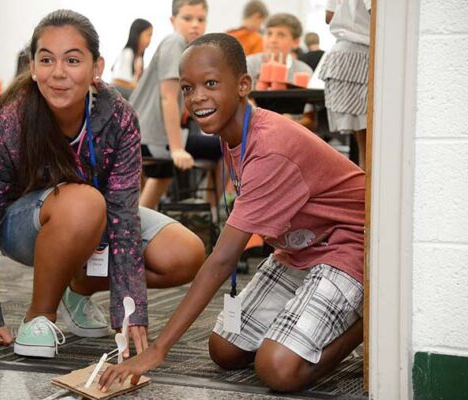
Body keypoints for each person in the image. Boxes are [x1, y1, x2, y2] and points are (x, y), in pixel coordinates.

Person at [99, 33, 365, 393]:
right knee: (225, 349)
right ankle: (304, 324)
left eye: (211, 84)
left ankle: (365, 322)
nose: (197, 98)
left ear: (243, 85)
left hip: (350, 247)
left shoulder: (270, 147)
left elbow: (222, 260)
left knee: (277, 369)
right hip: (301, 250)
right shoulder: (231, 131)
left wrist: (158, 350)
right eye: (189, 88)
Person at [0, 9, 205, 359]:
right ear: (33, 67)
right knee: (85, 202)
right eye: (46, 60)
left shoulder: (118, 115)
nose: (58, 73)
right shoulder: (11, 123)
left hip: (96, 217)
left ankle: (78, 286)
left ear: (97, 69)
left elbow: (122, 213)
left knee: (185, 253)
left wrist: (128, 309)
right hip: (22, 226)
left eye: (73, 60)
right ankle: (40, 316)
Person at [130, 0, 223, 210]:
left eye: (200, 19)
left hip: (146, 133)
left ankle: (138, 224)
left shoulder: (188, 50)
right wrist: (177, 149)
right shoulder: (175, 42)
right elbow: (168, 98)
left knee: (162, 177)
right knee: (228, 146)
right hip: (152, 135)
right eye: (187, 18)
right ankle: (212, 212)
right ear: (173, 20)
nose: (195, 25)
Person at [319, 0, 371, 169]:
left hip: (341, 56)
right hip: (361, 54)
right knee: (372, 144)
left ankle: (364, 192)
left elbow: (329, 15)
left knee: (364, 144)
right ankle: (368, 193)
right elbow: (377, 13)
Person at [246, 13, 316, 131]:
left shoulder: (304, 72)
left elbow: (311, 120)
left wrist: (290, 123)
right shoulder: (248, 65)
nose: (273, 40)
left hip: (291, 134)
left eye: (281, 35)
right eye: (269, 33)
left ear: (296, 42)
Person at [111, 18, 153, 99]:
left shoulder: (140, 59)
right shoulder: (127, 53)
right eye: (148, 35)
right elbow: (117, 81)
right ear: (138, 34)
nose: (150, 39)